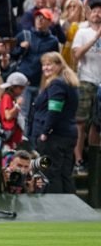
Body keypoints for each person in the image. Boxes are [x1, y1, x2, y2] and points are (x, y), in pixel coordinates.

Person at [31, 52, 79, 194]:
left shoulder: (57, 83)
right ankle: (72, 210)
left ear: (59, 65)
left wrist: (45, 132)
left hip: (54, 138)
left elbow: (54, 110)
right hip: (68, 135)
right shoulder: (70, 82)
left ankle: (54, 211)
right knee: (65, 174)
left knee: (50, 174)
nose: (45, 68)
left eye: (49, 64)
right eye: (44, 65)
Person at [70, 0, 101, 175]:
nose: (97, 13)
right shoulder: (82, 32)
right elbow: (77, 55)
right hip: (85, 80)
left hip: (100, 83)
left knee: (97, 124)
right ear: (89, 13)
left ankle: (94, 163)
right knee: (80, 122)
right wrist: (96, 36)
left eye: (100, 10)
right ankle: (78, 159)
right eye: (95, 10)